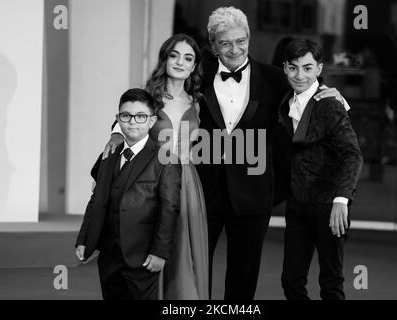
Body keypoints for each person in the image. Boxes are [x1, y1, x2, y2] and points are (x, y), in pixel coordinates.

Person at [198, 7, 348, 300]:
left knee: (243, 279)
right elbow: (154, 103)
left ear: (249, 39)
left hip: (253, 194)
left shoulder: (274, 78)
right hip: (204, 192)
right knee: (194, 272)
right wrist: (118, 130)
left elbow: (308, 90)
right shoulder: (196, 76)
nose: (235, 49)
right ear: (214, 45)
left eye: (241, 40)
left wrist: (335, 96)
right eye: (225, 43)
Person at [105, 34, 209, 299]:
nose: (180, 62)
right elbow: (126, 121)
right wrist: (116, 134)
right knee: (151, 245)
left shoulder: (198, 101)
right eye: (174, 55)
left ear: (194, 65)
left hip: (187, 182)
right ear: (165, 58)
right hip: (152, 179)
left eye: (188, 58)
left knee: (183, 250)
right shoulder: (149, 96)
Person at [276, 39, 363, 300]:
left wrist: (341, 200)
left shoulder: (329, 103)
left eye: (307, 68)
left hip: (329, 205)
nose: (299, 75)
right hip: (298, 203)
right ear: (285, 68)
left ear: (319, 68)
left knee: (331, 283)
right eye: (293, 68)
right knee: (291, 281)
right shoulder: (285, 100)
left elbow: (353, 154)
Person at [75, 88, 182, 300]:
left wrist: (160, 252)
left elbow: (169, 209)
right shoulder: (109, 154)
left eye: (141, 116)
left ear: (151, 121)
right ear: (118, 119)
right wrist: (84, 238)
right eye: (126, 116)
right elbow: (96, 200)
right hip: (109, 254)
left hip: (142, 256)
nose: (133, 122)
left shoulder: (165, 158)